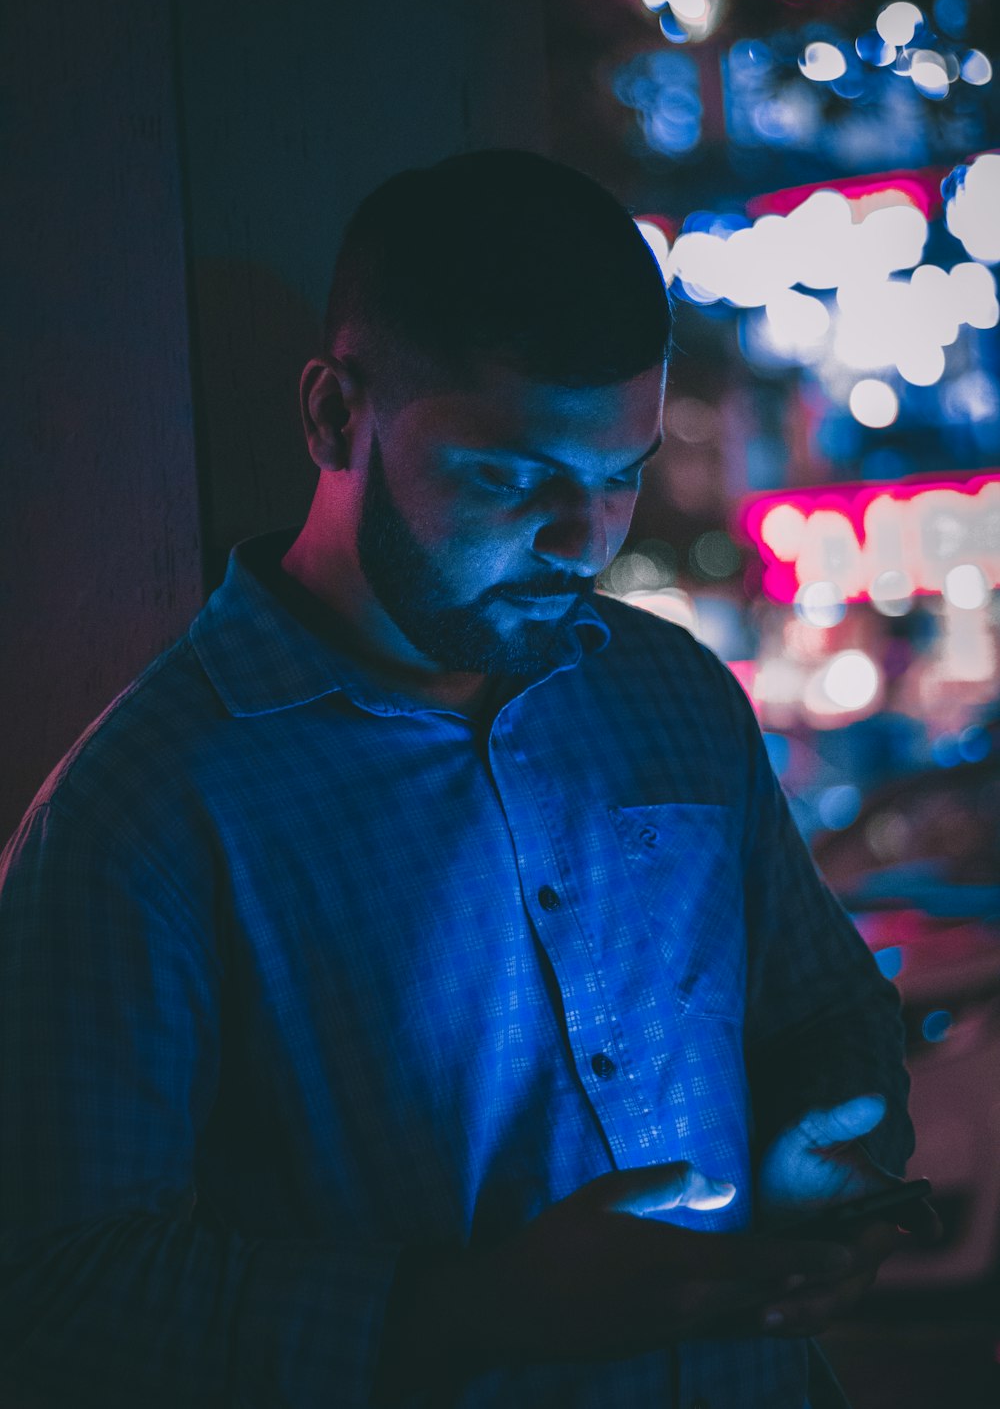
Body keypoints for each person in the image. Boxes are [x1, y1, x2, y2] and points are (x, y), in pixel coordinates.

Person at [0, 150, 936, 1409]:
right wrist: (473, 1313)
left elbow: (824, 1009)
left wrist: (824, 1141)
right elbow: (55, 1295)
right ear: (334, 416)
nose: (583, 540)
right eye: (509, 476)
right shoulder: (148, 812)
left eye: (619, 476)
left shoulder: (667, 693)